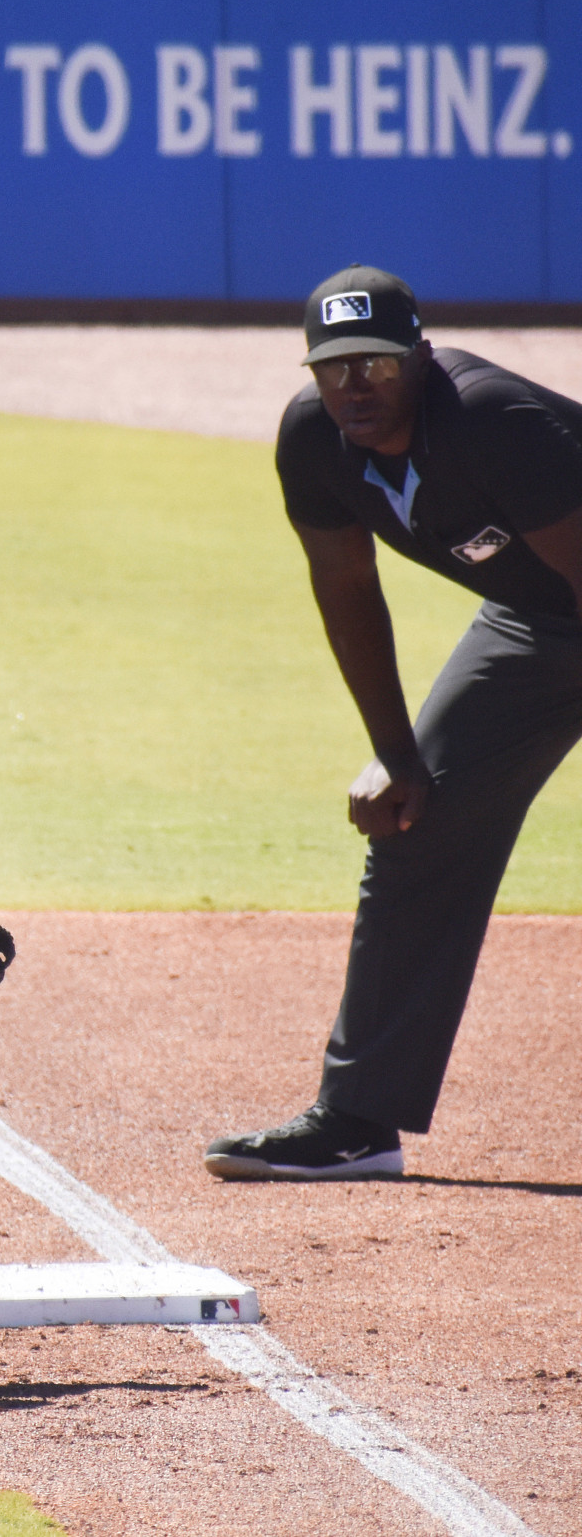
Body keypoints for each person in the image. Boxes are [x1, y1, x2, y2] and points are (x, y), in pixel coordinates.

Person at [205, 266, 582, 1181]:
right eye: (333, 366)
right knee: (419, 820)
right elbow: (345, 586)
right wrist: (396, 754)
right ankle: (358, 1119)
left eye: (375, 363)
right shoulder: (313, 439)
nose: (355, 386)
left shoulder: (493, 423)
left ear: (420, 356)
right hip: (537, 622)